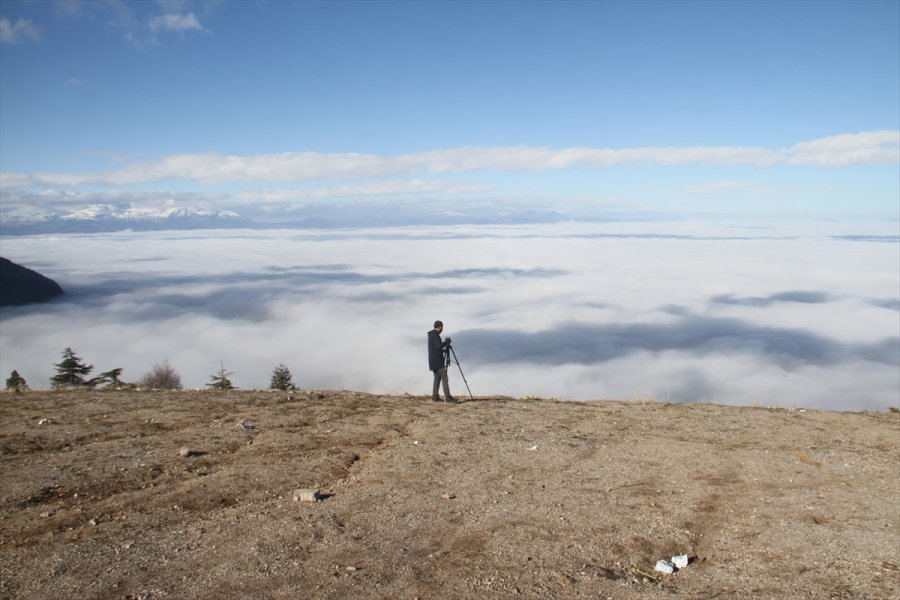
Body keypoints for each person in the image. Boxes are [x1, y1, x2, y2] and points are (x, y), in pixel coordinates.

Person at [427, 320, 455, 403]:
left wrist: (444, 350)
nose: (442, 329)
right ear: (440, 327)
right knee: (444, 377)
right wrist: (446, 342)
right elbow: (439, 346)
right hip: (437, 361)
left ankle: (435, 396)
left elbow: (435, 348)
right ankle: (448, 397)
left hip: (432, 361)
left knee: (437, 378)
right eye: (442, 327)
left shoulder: (431, 335)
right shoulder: (435, 335)